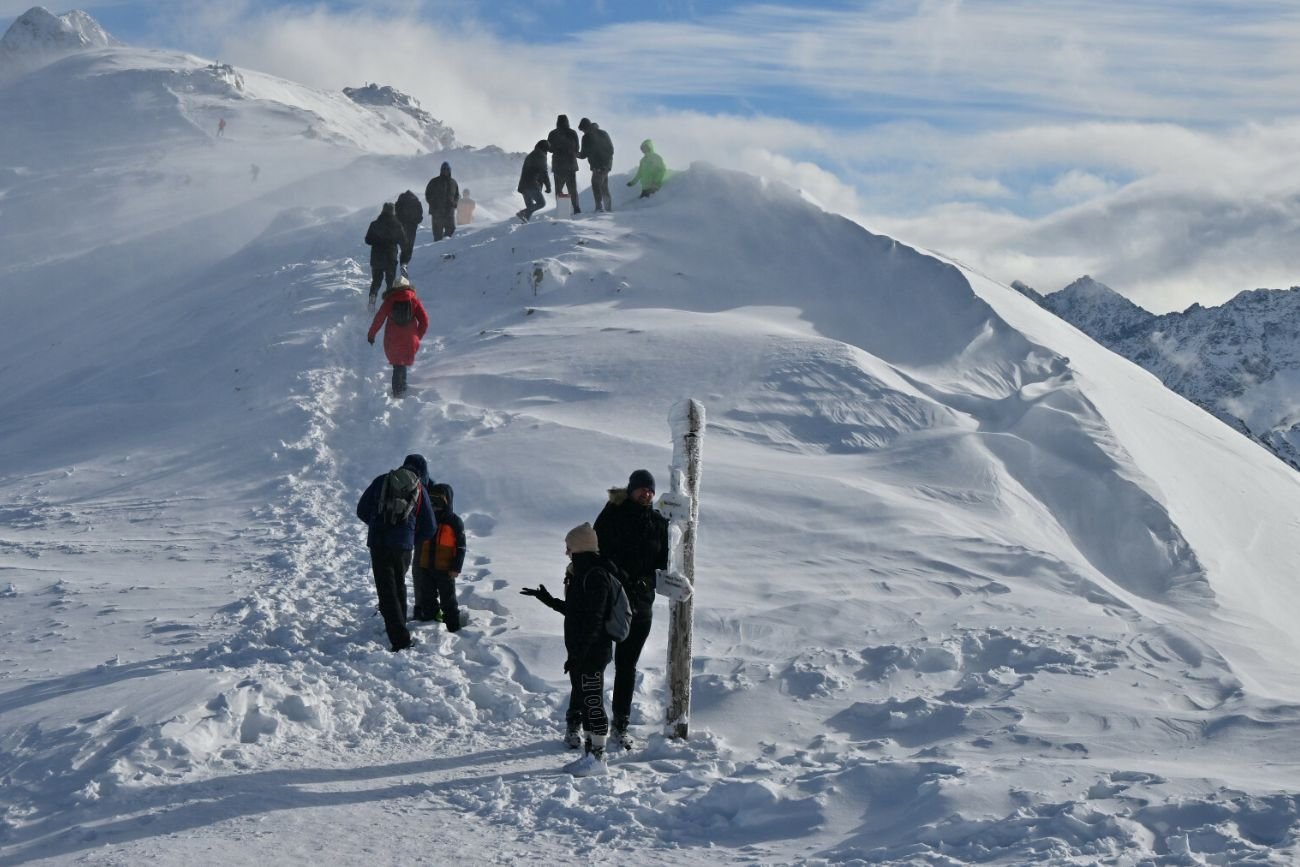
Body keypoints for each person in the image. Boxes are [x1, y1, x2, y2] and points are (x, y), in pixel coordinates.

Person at [520, 523, 615, 776]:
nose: (566, 552)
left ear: (580, 547)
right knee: (586, 700)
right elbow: (577, 613)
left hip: (593, 651)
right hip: (583, 650)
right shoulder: (581, 573)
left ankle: (598, 759)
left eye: (569, 547)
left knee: (593, 701)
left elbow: (594, 620)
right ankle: (589, 754)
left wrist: (580, 654)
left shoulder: (596, 575)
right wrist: (548, 600)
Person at [593, 469, 668, 750]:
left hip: (641, 604)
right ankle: (586, 721)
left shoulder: (658, 522)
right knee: (596, 661)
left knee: (627, 666)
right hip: (609, 600)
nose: (645, 494)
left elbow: (663, 562)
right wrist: (620, 577)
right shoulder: (613, 512)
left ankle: (620, 725)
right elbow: (597, 550)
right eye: (641, 489)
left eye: (650, 490)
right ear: (631, 489)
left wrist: (645, 582)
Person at [356, 454, 436, 652]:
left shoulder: (382, 480)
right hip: (402, 547)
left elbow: (362, 510)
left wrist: (376, 525)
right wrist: (409, 538)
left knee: (387, 590)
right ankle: (399, 628)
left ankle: (400, 639)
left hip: (379, 543)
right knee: (398, 584)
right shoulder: (419, 488)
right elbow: (430, 527)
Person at [412, 482, 466, 631]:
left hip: (445, 569)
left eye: (439, 503)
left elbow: (461, 547)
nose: (435, 507)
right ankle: (430, 623)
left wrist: (456, 567)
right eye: (432, 503)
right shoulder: (425, 519)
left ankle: (453, 626)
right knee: (427, 597)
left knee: (448, 600)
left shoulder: (454, 521)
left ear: (447, 503)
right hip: (426, 567)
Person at [367, 275, 429, 398]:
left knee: (398, 364)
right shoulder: (414, 300)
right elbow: (424, 321)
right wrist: (418, 336)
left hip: (393, 338)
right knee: (402, 363)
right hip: (409, 338)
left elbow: (378, 320)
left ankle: (398, 391)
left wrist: (371, 335)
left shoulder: (389, 301)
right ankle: (401, 388)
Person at [364, 202, 406, 308]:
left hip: (377, 256)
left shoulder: (374, 224)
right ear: (393, 211)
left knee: (377, 280)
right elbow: (403, 242)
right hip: (390, 257)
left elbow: (367, 240)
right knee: (390, 282)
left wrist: (377, 241)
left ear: (383, 210)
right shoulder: (397, 225)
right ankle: (389, 303)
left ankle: (372, 297)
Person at [577, 118, 614, 213]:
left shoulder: (594, 135)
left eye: (583, 130)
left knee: (596, 184)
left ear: (586, 127)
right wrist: (575, 154)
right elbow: (583, 154)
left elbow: (611, 150)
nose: (583, 132)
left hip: (600, 165)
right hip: (601, 165)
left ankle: (599, 208)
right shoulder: (598, 134)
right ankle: (608, 208)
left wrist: (604, 164)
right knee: (603, 186)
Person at [547, 114, 581, 215]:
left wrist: (557, 149)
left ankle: (562, 211)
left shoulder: (553, 133)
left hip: (558, 165)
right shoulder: (572, 133)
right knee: (572, 189)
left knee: (559, 189)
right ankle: (576, 209)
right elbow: (577, 148)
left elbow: (549, 149)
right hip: (571, 164)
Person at [516, 141, 552, 222]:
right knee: (541, 203)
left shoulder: (531, 155)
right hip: (532, 185)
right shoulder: (541, 156)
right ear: (545, 149)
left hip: (523, 186)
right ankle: (522, 213)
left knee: (530, 209)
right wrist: (548, 186)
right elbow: (544, 172)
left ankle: (524, 225)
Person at [424, 162, 459, 241]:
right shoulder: (434, 181)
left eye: (447, 170)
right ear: (441, 170)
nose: (446, 171)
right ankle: (436, 251)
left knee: (451, 231)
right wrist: (433, 203)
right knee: (437, 235)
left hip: (449, 212)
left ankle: (446, 249)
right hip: (437, 213)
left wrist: (455, 203)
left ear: (450, 171)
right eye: (444, 169)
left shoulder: (453, 182)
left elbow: (457, 195)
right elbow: (427, 194)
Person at [394, 189, 424, 270]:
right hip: (411, 227)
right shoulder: (416, 202)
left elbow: (396, 213)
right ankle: (404, 264)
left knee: (398, 244)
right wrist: (416, 221)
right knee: (408, 247)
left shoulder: (399, 201)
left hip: (400, 226)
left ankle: (394, 262)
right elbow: (420, 216)